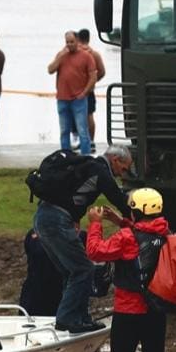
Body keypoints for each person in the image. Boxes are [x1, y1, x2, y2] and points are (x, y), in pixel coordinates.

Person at [84, 189, 176, 352]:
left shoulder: (126, 238)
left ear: (135, 212)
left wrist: (95, 224)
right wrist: (120, 221)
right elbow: (145, 231)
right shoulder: (166, 234)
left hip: (127, 312)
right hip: (155, 312)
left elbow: (95, 251)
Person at [32, 143, 133, 333]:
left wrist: (75, 217)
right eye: (123, 168)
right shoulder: (100, 171)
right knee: (83, 269)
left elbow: (74, 193)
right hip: (56, 221)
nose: (122, 174)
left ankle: (79, 318)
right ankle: (67, 319)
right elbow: (120, 200)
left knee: (71, 271)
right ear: (115, 160)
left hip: (42, 217)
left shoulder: (86, 166)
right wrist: (140, 220)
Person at [48, 30, 98, 155]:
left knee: (82, 130)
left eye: (72, 42)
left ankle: (86, 157)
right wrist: (59, 57)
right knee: (64, 130)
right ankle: (66, 156)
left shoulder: (86, 56)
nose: (69, 44)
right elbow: (50, 69)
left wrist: (85, 92)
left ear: (77, 41)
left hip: (79, 99)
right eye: (67, 42)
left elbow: (93, 76)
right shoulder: (61, 55)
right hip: (62, 99)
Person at [78, 30, 106, 145]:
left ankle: (81, 139)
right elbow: (102, 72)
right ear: (89, 39)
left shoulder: (76, 53)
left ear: (78, 39)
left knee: (78, 115)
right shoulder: (95, 54)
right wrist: (93, 82)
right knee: (90, 115)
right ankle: (91, 140)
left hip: (77, 89)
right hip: (89, 89)